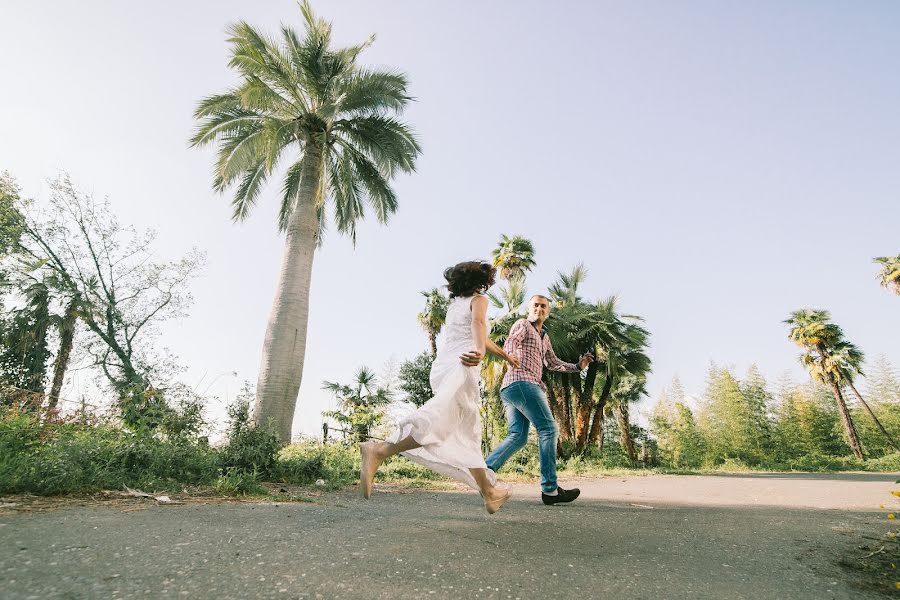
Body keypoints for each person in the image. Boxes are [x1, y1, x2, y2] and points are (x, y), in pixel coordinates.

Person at [359, 261, 519, 514]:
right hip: (463, 364)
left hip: (445, 364)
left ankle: (489, 492)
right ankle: (380, 450)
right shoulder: (479, 301)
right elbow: (478, 326)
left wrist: (505, 356)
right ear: (482, 282)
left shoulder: (454, 305)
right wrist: (478, 351)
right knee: (443, 422)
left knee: (466, 428)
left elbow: (479, 333)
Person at [478, 294, 593, 505]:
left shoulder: (544, 337)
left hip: (511, 388)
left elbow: (552, 362)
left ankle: (484, 473)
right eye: (536, 305)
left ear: (547, 311)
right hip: (523, 382)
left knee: (518, 436)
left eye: (543, 306)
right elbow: (513, 341)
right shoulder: (522, 324)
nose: (539, 308)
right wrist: (511, 356)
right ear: (529, 309)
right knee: (549, 429)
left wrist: (577, 367)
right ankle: (550, 490)